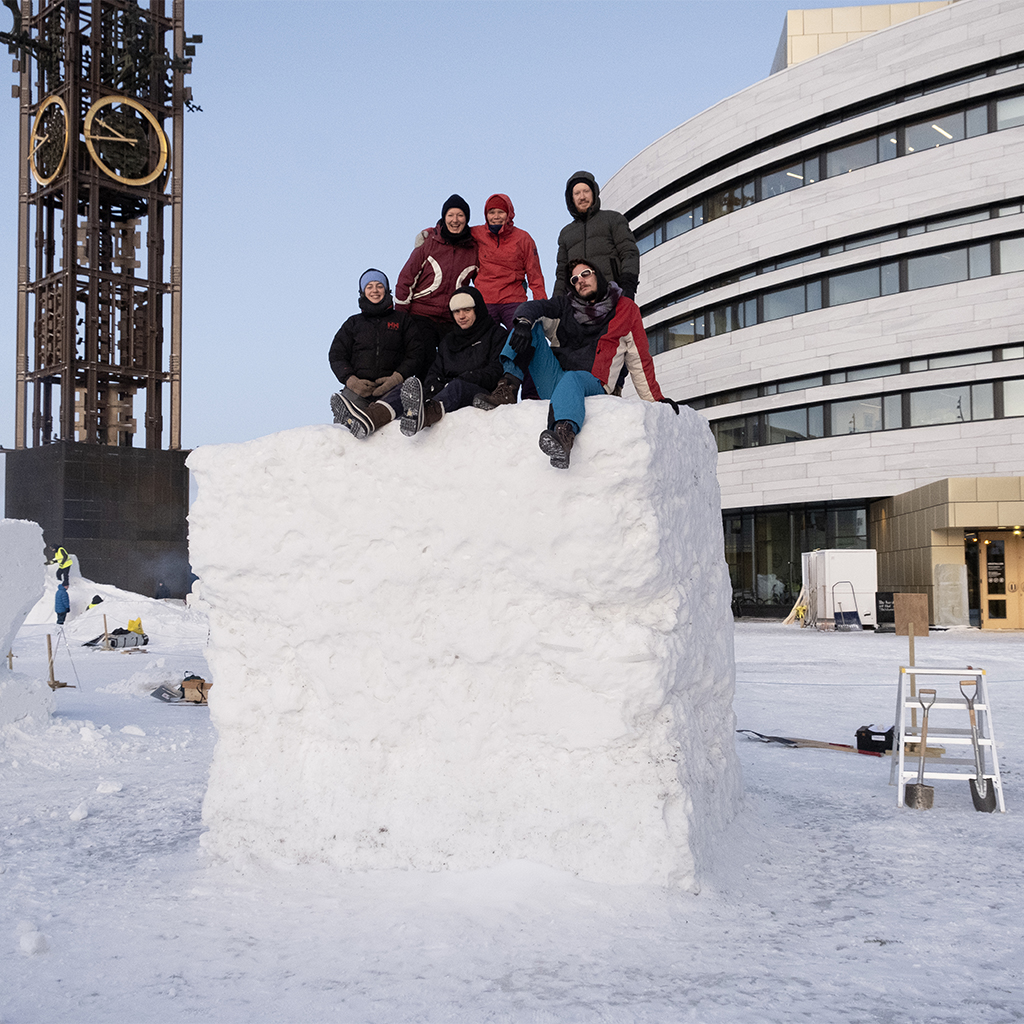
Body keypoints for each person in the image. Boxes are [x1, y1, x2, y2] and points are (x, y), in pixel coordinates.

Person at [474, 259, 678, 469]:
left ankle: (564, 434)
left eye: (585, 274)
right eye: (574, 279)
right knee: (528, 325)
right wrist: (524, 322)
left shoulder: (625, 309)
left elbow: (639, 359)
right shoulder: (566, 306)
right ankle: (508, 387)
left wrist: (655, 399)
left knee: (573, 377)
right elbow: (534, 306)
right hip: (556, 380)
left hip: (594, 383)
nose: (580, 280)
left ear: (597, 274)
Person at [330, 269, 425, 440]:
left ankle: (367, 419)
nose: (375, 290)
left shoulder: (402, 320)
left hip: (393, 390)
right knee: (343, 436)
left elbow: (416, 352)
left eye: (379, 286)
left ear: (387, 290)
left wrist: (396, 378)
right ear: (362, 292)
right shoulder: (353, 323)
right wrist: (351, 381)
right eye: (369, 286)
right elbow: (337, 355)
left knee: (395, 424)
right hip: (359, 391)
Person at [399, 287, 506, 436]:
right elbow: (435, 371)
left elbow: (496, 371)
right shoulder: (449, 340)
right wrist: (435, 385)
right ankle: (381, 417)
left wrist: (464, 378)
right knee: (402, 389)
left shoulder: (496, 334)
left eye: (467, 310)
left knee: (457, 387)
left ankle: (424, 415)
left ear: (478, 309)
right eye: (456, 311)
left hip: (479, 393)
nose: (461, 316)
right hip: (446, 391)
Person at [394, 194, 479, 366]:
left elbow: (485, 281)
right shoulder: (429, 243)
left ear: (467, 219)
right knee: (424, 355)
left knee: (455, 359)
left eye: (460, 215)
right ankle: (419, 383)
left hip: (452, 317)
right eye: (450, 215)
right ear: (444, 217)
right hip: (421, 313)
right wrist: (401, 318)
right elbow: (406, 279)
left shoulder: (473, 249)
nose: (455, 220)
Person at [554, 171, 640, 300]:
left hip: (612, 295)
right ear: (571, 198)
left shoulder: (613, 219)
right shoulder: (565, 234)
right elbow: (562, 274)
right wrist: (557, 301)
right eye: (577, 193)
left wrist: (628, 288)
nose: (582, 197)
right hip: (578, 303)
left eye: (586, 191)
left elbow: (629, 253)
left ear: (594, 193)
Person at [470, 193, 546, 329]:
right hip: (485, 299)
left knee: (522, 335)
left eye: (501, 212)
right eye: (491, 212)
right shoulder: (476, 234)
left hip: (513, 299)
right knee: (484, 338)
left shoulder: (523, 238)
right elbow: (454, 232)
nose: (496, 216)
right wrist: (431, 232)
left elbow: (535, 275)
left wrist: (541, 306)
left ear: (509, 214)